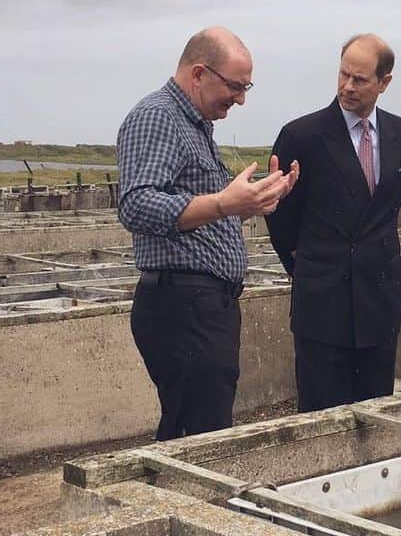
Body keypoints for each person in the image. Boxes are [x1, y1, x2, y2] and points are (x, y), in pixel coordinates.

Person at [117, 26, 299, 440]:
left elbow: (198, 218)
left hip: (201, 306)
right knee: (198, 436)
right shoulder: (158, 117)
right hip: (182, 306)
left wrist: (252, 202)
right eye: (235, 86)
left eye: (246, 87)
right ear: (199, 74)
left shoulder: (194, 124)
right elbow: (136, 204)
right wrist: (224, 204)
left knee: (200, 428)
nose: (240, 99)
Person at [266, 33, 401, 412]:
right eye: (343, 74)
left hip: (378, 301)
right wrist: (308, 270)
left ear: (384, 82)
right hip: (323, 302)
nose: (347, 86)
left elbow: (387, 207)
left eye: (360, 79)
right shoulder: (301, 136)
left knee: (376, 415)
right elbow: (280, 218)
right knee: (320, 418)